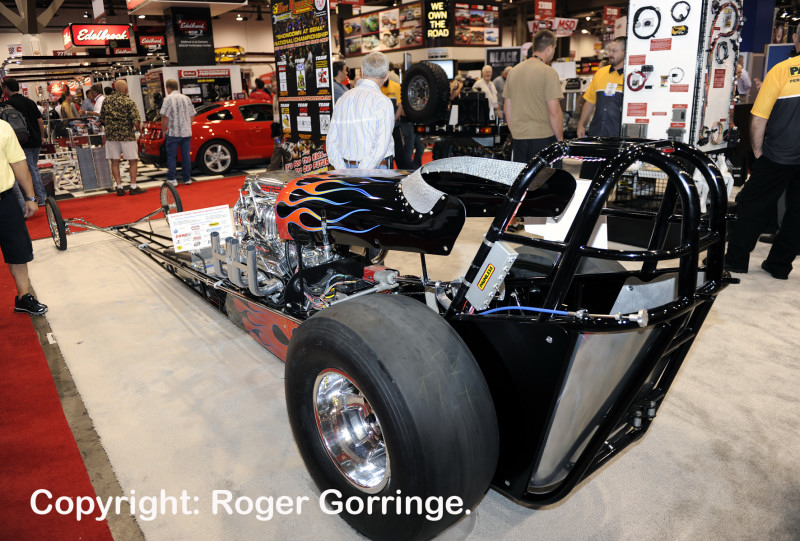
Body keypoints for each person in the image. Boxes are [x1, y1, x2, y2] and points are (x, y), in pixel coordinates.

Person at [724, 31, 800, 279]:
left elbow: (759, 118)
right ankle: (780, 265)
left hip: (779, 153)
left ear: (796, 39)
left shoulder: (782, 70)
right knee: (798, 213)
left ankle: (735, 260)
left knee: (752, 204)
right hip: (786, 153)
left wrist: (757, 152)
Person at [0, 118, 47, 315]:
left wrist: (30, 197)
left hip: (5, 199)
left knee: (18, 250)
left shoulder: (3, 127)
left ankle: (23, 297)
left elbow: (19, 163)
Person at [503, 29, 564, 164]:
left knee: (522, 176)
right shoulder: (548, 72)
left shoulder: (513, 71)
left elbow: (507, 108)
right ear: (549, 48)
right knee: (547, 177)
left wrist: (516, 132)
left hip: (519, 139)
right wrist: (560, 140)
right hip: (543, 139)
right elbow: (554, 111)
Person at [326, 51, 395, 170]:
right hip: (375, 170)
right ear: (387, 75)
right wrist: (360, 172)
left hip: (345, 168)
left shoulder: (343, 99)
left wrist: (342, 170)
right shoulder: (383, 102)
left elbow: (331, 141)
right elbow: (380, 148)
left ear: (362, 71)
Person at [1, 77, 47, 206]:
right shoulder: (30, 101)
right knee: (33, 168)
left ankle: (39, 198)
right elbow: (40, 120)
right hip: (36, 140)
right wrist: (42, 136)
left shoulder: (9, 104)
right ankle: (40, 196)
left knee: (29, 169)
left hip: (22, 141)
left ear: (6, 88)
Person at [100, 79, 144, 195]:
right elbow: (136, 121)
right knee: (133, 160)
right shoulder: (128, 102)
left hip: (111, 136)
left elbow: (101, 118)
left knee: (115, 161)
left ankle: (119, 187)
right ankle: (133, 186)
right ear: (125, 89)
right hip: (127, 136)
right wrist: (139, 130)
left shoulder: (107, 101)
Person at [577, 37, 626, 139]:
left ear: (625, 52)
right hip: (597, 132)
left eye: (614, 51)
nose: (610, 54)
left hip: (619, 135)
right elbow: (590, 101)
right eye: (609, 50)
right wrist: (581, 124)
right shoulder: (600, 73)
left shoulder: (630, 77)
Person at [160, 79, 196, 186]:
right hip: (186, 133)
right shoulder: (186, 98)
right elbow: (192, 114)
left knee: (172, 156)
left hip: (173, 133)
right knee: (186, 156)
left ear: (168, 88)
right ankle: (187, 178)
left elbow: (164, 117)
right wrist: (188, 125)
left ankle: (172, 179)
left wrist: (163, 130)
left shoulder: (168, 99)